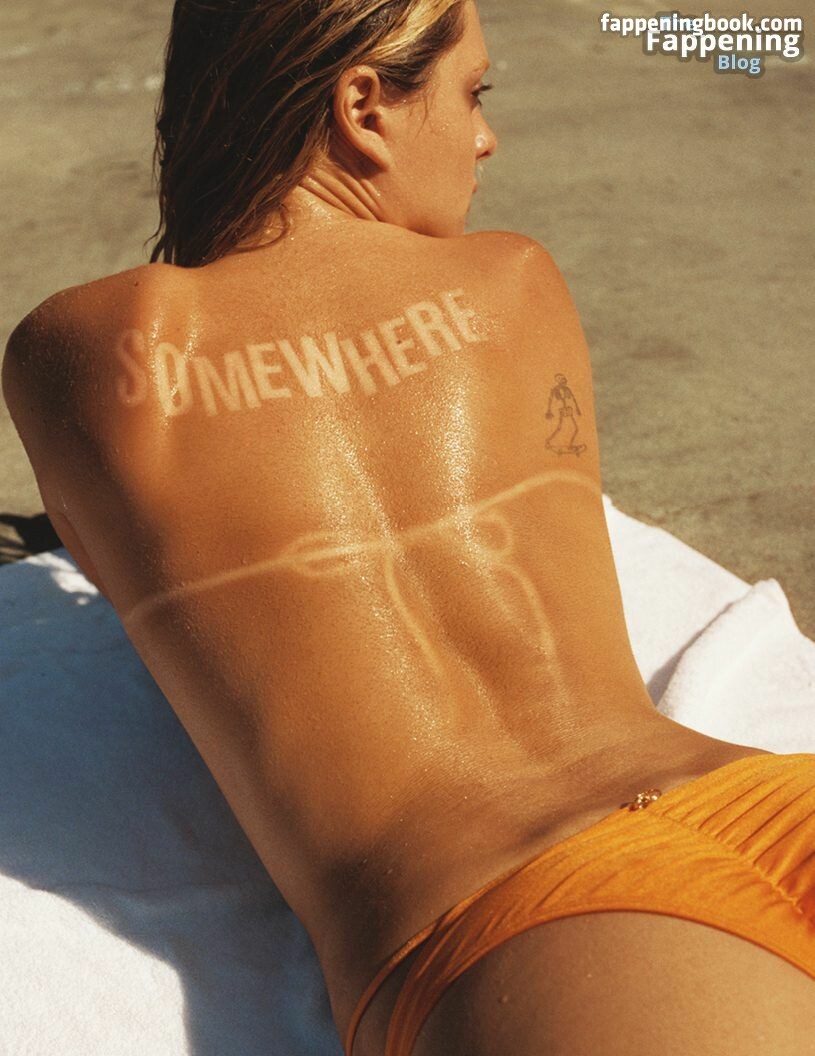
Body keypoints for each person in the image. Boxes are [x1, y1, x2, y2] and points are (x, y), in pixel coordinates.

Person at [3, 2, 814, 1054]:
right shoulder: (514, 279)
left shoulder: (90, 351)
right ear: (362, 108)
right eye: (472, 94)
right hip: (766, 797)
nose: (485, 138)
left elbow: (115, 566)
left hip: (539, 916)